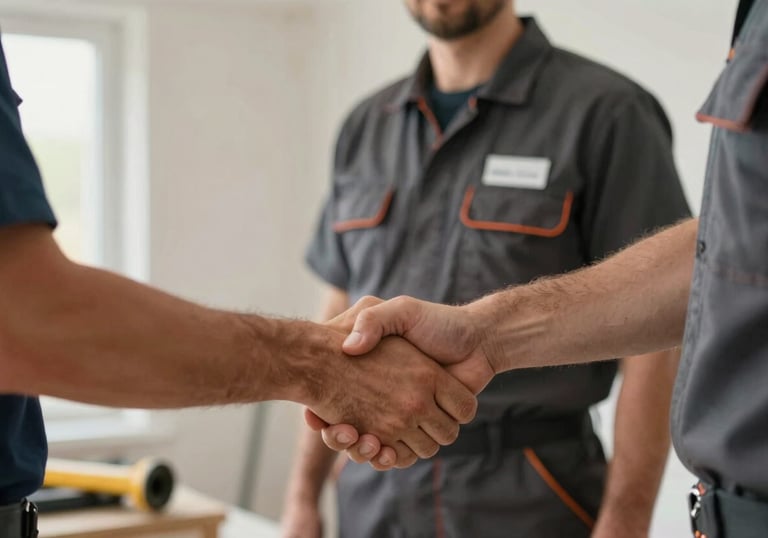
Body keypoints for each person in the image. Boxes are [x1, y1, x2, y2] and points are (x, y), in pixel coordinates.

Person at [0, 36, 479, 538]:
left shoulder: (572, 108)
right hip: (377, 480)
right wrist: (317, 368)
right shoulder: (369, 125)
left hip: (521, 483)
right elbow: (24, 316)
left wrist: (327, 369)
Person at [319, 1, 768, 536]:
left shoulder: (607, 111)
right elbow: (338, 312)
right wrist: (302, 494)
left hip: (531, 492)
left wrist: (625, 517)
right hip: (374, 486)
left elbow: (662, 331)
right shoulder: (365, 126)